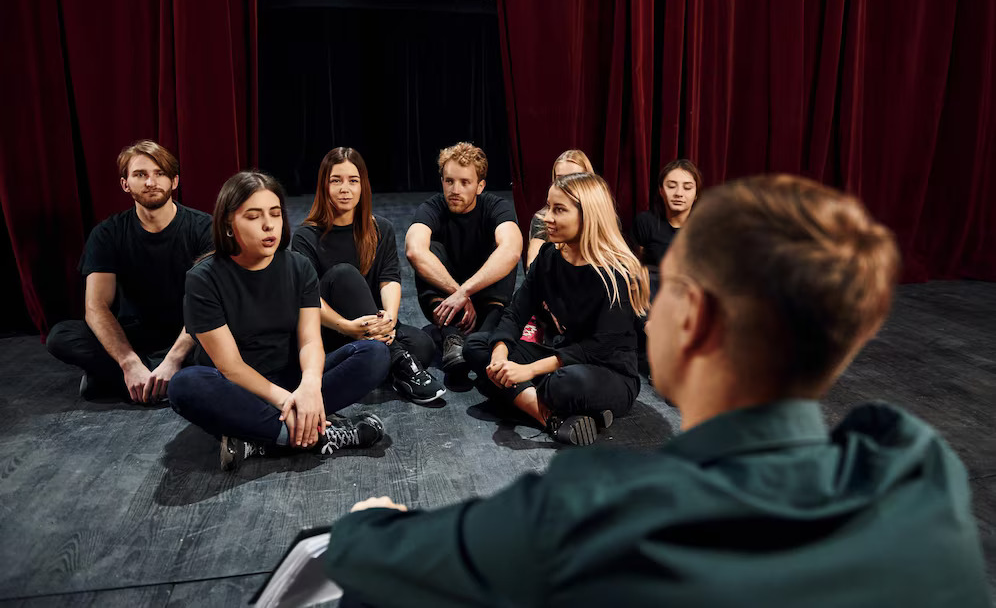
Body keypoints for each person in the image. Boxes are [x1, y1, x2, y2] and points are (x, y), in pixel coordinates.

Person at [321, 175, 991, 607]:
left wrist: (371, 519)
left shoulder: (594, 506)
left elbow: (372, 557)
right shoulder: (915, 472)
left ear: (693, 319)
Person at [168, 171, 390, 471]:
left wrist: (309, 387)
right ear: (228, 225)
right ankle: (319, 435)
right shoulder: (203, 279)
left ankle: (263, 439)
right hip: (239, 389)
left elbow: (310, 341)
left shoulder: (299, 267)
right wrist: (288, 402)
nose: (268, 224)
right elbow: (230, 366)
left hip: (292, 380)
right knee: (184, 385)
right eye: (253, 216)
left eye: (275, 214)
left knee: (374, 354)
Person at [463, 172, 649, 445]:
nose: (546, 217)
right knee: (478, 346)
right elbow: (515, 312)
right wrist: (500, 356)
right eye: (548, 207)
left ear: (588, 216)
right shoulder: (549, 257)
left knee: (560, 384)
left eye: (559, 210)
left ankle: (519, 395)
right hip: (562, 357)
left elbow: (595, 349)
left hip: (608, 373)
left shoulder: (618, 273)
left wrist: (527, 372)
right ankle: (552, 418)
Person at [46, 140, 211, 403]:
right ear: (125, 184)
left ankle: (119, 380)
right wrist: (128, 362)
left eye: (160, 173)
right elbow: (96, 306)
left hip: (190, 334)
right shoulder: (107, 233)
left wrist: (173, 359)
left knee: (235, 339)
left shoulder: (204, 229)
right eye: (140, 174)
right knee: (61, 336)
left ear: (174, 181)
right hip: (135, 337)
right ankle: (156, 380)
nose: (151, 182)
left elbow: (209, 304)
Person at [292, 147, 444, 405]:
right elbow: (308, 301)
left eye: (353, 181)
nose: (345, 189)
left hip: (371, 325)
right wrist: (346, 326)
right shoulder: (306, 237)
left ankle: (381, 362)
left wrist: (390, 319)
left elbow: (389, 278)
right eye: (336, 181)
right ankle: (398, 361)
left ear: (363, 185)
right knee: (344, 275)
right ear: (324, 186)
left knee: (423, 346)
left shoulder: (380, 228)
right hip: (332, 330)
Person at [405, 142, 521, 384]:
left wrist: (465, 291)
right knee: (429, 250)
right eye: (449, 181)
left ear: (480, 186)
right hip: (450, 302)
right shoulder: (433, 207)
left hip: (484, 299)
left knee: (501, 251)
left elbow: (512, 250)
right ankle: (452, 338)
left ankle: (480, 338)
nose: (455, 190)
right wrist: (458, 293)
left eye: (465, 182)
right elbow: (414, 251)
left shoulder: (495, 207)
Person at [633, 158, 702, 295]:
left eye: (687, 188)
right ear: (661, 190)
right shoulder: (645, 222)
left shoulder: (705, 228)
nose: (679, 193)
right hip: (651, 298)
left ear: (696, 194)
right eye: (671, 186)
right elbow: (633, 266)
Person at [524, 149, 594, 269]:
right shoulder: (543, 218)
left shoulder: (601, 216)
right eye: (560, 178)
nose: (565, 184)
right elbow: (532, 264)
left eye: (574, 178)